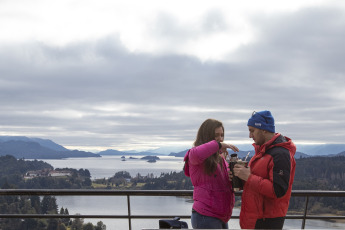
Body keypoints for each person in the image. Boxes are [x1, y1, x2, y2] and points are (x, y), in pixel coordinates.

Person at [233, 110, 296, 229]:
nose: (250, 136)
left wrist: (249, 177)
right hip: (254, 218)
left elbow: (278, 190)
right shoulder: (262, 152)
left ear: (264, 130)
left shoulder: (280, 154)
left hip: (267, 221)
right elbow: (256, 183)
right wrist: (240, 178)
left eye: (252, 131)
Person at [183, 118, 239, 229]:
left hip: (220, 216)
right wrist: (219, 145)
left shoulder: (220, 158)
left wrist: (235, 177)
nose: (220, 139)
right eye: (216, 135)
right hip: (205, 216)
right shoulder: (194, 154)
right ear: (206, 136)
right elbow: (196, 153)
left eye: (222, 135)